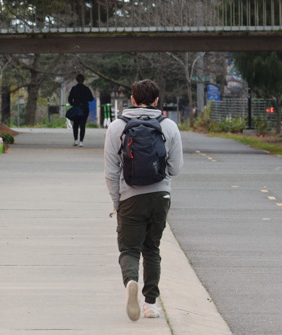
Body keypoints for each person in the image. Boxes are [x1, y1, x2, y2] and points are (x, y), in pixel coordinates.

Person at [104, 79, 183, 321]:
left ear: (132, 99)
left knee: (129, 249)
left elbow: (111, 172)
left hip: (130, 196)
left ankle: (131, 282)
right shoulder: (169, 126)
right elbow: (176, 168)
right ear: (157, 101)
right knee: (152, 249)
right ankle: (151, 305)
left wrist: (117, 203)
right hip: (160, 196)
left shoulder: (117, 127)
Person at [68, 74, 95, 147]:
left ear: (76, 80)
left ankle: (75, 140)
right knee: (82, 124)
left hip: (76, 108)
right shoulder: (86, 89)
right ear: (83, 80)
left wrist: (73, 104)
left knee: (75, 124)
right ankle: (81, 141)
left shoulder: (74, 88)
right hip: (84, 108)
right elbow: (91, 98)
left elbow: (70, 98)